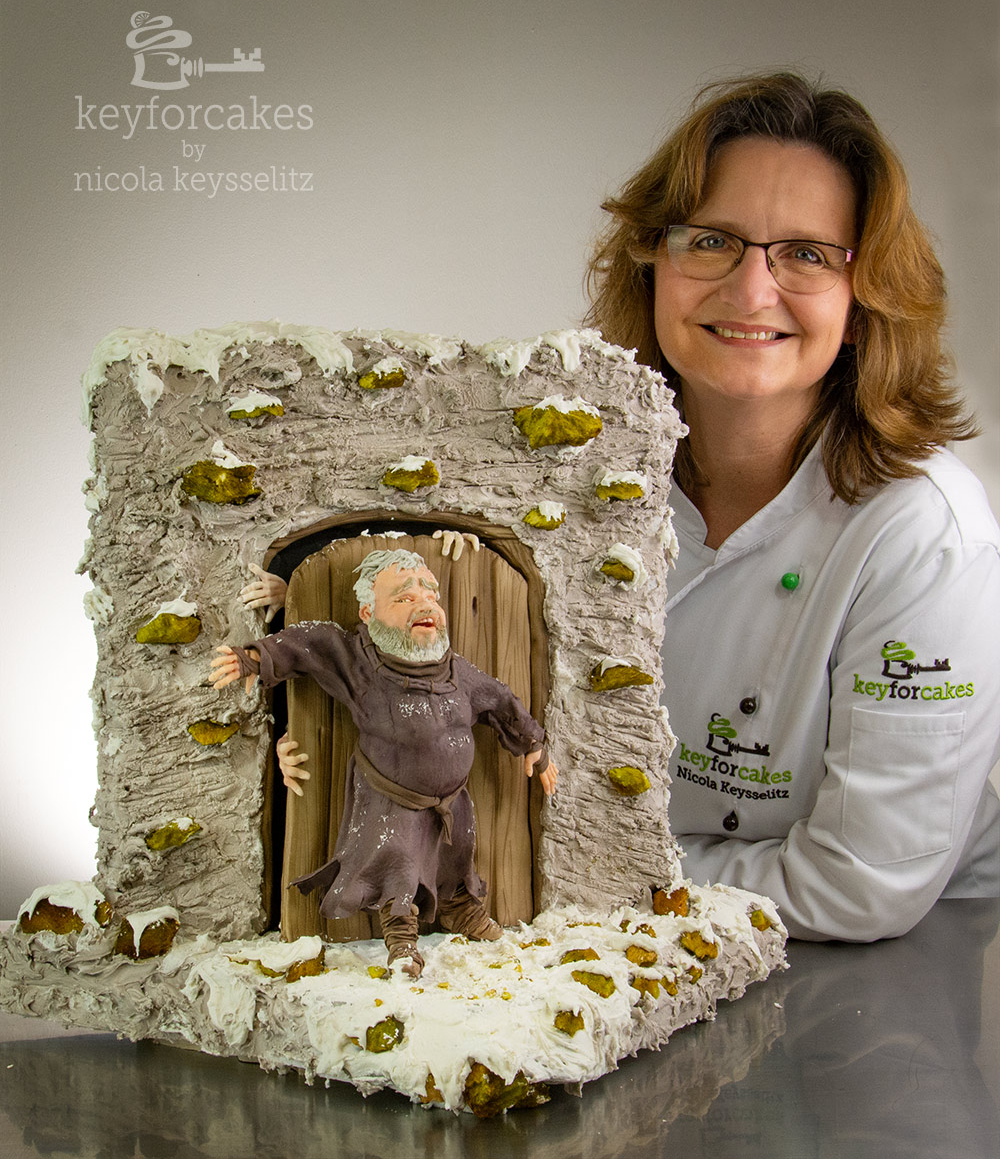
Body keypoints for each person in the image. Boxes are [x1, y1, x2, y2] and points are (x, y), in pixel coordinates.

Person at [584, 70, 1000, 942]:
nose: (750, 291)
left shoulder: (924, 531)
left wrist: (565, 869)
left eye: (807, 254)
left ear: (864, 301)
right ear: (653, 263)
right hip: (613, 941)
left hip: (888, 971)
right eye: (712, 240)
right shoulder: (577, 479)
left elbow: (860, 888)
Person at [212, 548, 556, 976]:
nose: (425, 604)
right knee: (397, 864)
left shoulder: (456, 670)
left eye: (430, 595)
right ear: (368, 612)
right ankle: (401, 937)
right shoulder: (360, 664)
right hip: (391, 798)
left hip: (452, 799)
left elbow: (500, 700)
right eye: (405, 598)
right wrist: (255, 658)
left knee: (457, 856)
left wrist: (532, 744)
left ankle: (459, 909)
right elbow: (310, 642)